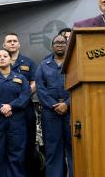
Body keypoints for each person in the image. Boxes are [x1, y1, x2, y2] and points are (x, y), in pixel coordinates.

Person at [0, 32, 37, 177]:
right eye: (9, 41)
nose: (12, 43)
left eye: (14, 41)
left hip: (24, 109)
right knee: (1, 148)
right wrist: (5, 107)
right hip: (1, 112)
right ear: (4, 45)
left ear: (19, 44)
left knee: (26, 145)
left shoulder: (29, 63)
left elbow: (34, 83)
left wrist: (16, 103)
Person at [0, 49, 31, 176]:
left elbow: (25, 96)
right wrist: (1, 107)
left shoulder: (20, 78)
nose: (2, 58)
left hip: (16, 120)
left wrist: (10, 106)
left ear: (10, 59)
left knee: (17, 155)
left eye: (5, 56)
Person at [36, 34, 72, 177]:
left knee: (73, 150)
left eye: (63, 42)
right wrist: (54, 105)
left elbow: (79, 87)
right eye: (57, 42)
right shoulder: (43, 65)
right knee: (53, 150)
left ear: (67, 45)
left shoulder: (73, 63)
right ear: (52, 46)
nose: (60, 45)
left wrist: (67, 104)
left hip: (72, 111)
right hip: (50, 114)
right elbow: (40, 88)